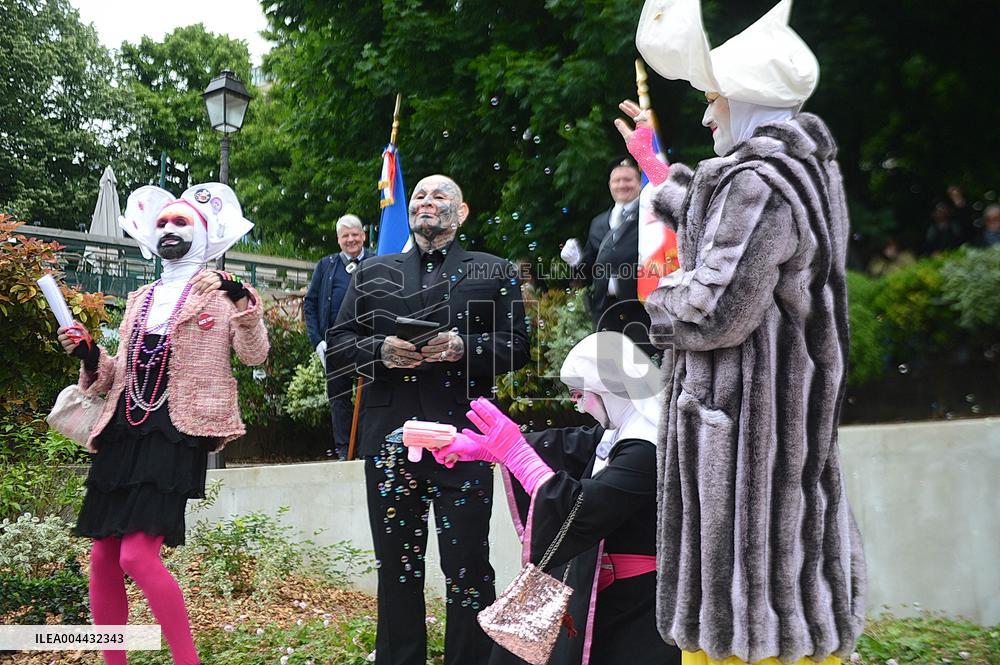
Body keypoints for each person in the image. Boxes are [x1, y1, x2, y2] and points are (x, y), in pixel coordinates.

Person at [621, 1, 867, 663]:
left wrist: (654, 302)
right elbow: (718, 220)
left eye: (715, 101)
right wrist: (655, 172)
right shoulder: (800, 173)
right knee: (786, 609)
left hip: (746, 447)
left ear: (749, 103)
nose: (707, 116)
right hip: (776, 435)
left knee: (746, 632)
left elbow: (714, 309)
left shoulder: (758, 182)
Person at [57, 183, 268, 665]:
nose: (169, 229)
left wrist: (241, 301)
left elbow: (255, 354)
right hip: (123, 428)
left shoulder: (223, 294)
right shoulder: (140, 297)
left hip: (178, 430)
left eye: (181, 222)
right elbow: (117, 373)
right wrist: (90, 353)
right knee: (102, 557)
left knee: (136, 555)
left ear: (206, 232)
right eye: (163, 223)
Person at [327, 174, 531, 665]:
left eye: (440, 195)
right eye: (419, 194)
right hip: (391, 441)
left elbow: (519, 347)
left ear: (461, 213)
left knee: (468, 568)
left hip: (463, 441)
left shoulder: (492, 270)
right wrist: (381, 352)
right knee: (397, 566)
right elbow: (338, 348)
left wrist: (465, 349)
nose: (426, 202)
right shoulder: (373, 272)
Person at [432, 331, 680, 665]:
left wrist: (517, 454)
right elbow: (565, 445)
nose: (578, 406)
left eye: (581, 395)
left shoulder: (647, 445)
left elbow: (583, 506)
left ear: (606, 389)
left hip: (640, 605)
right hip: (600, 588)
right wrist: (489, 450)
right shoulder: (621, 430)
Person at [560, 157, 655, 355]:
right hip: (605, 312)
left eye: (628, 180)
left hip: (640, 312)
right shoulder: (598, 222)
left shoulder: (650, 217)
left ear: (639, 183)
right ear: (609, 185)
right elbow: (586, 274)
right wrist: (576, 262)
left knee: (641, 373)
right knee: (610, 375)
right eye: (616, 180)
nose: (622, 185)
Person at [304, 214, 371, 459]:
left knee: (369, 399)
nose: (351, 239)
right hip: (335, 344)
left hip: (368, 344)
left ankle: (365, 449)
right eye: (346, 236)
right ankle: (345, 450)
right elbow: (310, 304)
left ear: (363, 235)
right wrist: (317, 341)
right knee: (339, 400)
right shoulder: (326, 265)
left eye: (355, 234)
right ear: (338, 239)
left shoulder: (378, 261)